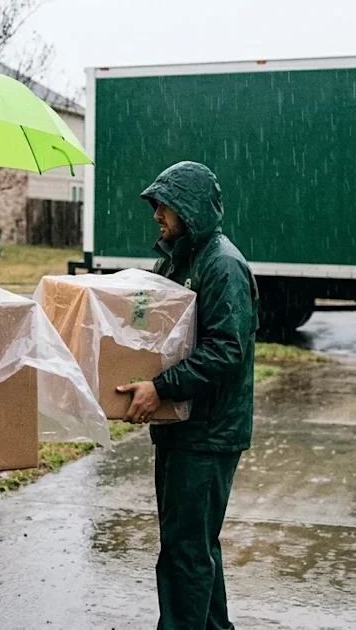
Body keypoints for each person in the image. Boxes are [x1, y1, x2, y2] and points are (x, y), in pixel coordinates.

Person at [117, 161, 259, 630]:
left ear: (191, 208)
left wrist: (160, 388)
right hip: (182, 426)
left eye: (165, 204)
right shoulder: (179, 260)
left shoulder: (222, 265)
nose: (156, 213)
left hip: (209, 432)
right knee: (193, 544)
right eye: (155, 204)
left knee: (185, 550)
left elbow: (226, 351)